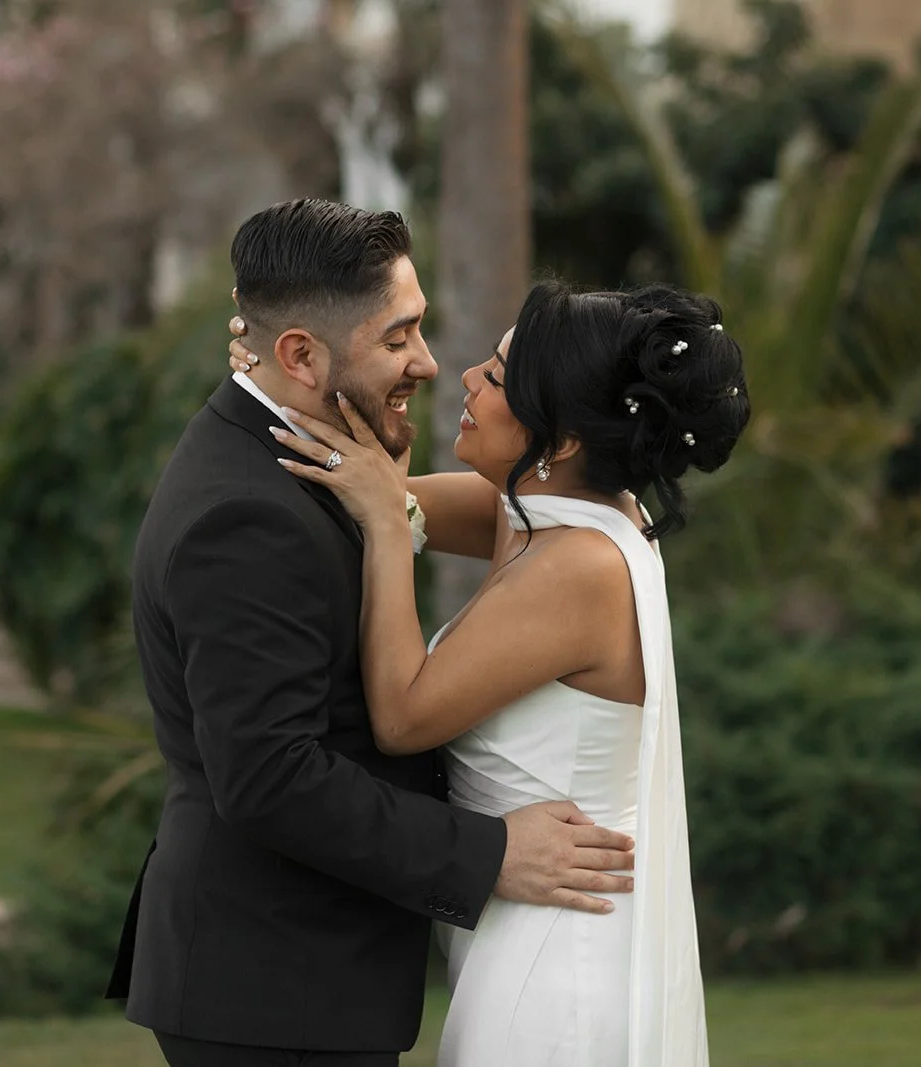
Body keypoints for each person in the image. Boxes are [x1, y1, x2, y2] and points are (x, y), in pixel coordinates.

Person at [107, 199, 639, 1067]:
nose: (429, 363)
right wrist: (492, 852)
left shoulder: (317, 461)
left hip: (308, 979)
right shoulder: (244, 514)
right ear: (299, 354)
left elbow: (513, 510)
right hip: (269, 988)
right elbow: (270, 776)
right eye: (398, 339)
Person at [232, 278, 750, 1066]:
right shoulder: (564, 510)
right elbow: (373, 487)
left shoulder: (578, 565)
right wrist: (285, 378)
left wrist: (383, 526)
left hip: (558, 964)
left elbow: (402, 715)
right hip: (530, 930)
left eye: (501, 379)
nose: (466, 377)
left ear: (564, 440)